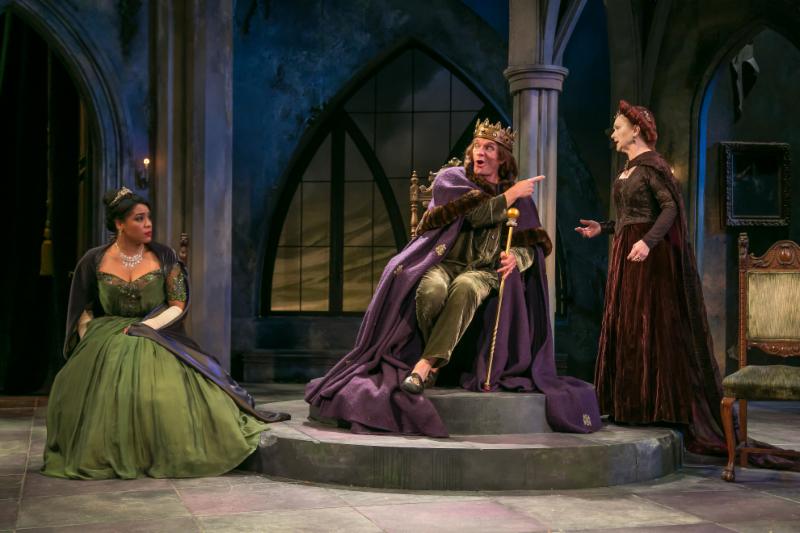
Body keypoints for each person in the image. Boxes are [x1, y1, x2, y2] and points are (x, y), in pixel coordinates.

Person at [306, 119, 601, 437]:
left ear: (502, 159)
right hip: (445, 263)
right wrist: (510, 195)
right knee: (431, 290)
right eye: (478, 146)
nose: (480, 153)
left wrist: (517, 257)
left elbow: (533, 245)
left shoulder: (519, 199)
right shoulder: (452, 180)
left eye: (490, 148)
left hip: (483, 271)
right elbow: (475, 213)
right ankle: (439, 357)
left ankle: (426, 366)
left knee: (465, 288)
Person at [43, 187, 286, 479]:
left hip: (155, 330)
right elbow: (83, 307)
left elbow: (177, 303)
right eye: (139, 218)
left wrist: (146, 327)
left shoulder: (164, 257)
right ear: (120, 224)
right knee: (90, 393)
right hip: (106, 334)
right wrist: (89, 342)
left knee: (166, 395)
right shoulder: (94, 260)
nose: (148, 224)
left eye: (148, 217)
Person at [575, 100, 732, 454]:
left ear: (636, 130)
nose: (613, 134)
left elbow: (670, 208)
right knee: (627, 324)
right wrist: (603, 228)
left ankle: (650, 405)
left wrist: (648, 242)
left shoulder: (653, 166)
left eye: (618, 128)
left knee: (645, 325)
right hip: (627, 252)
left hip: (648, 257)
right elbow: (629, 216)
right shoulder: (629, 169)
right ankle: (626, 404)